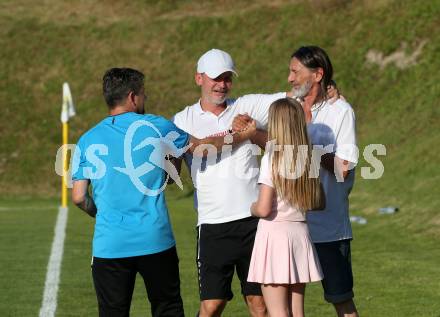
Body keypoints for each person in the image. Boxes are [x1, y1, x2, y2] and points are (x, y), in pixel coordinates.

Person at [71, 67, 256, 317]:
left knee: (112, 312)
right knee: (167, 308)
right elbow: (201, 148)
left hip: (110, 244)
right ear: (132, 96)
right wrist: (242, 136)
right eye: (143, 94)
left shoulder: (87, 139)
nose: (144, 99)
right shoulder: (156, 126)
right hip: (155, 240)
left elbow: (79, 197)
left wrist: (100, 213)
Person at [172, 49, 291, 317]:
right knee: (212, 305)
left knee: (259, 305)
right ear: (198, 78)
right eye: (216, 78)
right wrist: (238, 135)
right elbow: (201, 149)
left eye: (227, 78)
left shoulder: (247, 106)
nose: (222, 85)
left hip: (254, 223)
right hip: (212, 224)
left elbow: (294, 100)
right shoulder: (181, 120)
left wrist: (326, 91)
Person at [288, 46, 359, 317]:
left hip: (329, 227)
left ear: (317, 74)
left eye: (295, 71)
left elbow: (344, 169)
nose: (290, 78)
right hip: (291, 225)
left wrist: (309, 140)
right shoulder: (289, 107)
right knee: (291, 307)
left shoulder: (341, 111)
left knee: (342, 302)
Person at [247, 97, 325, 317]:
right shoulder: (308, 157)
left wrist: (250, 207)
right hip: (299, 234)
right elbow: (319, 202)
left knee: (278, 312)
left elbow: (263, 209)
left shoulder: (272, 157)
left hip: (275, 236)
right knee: (297, 313)